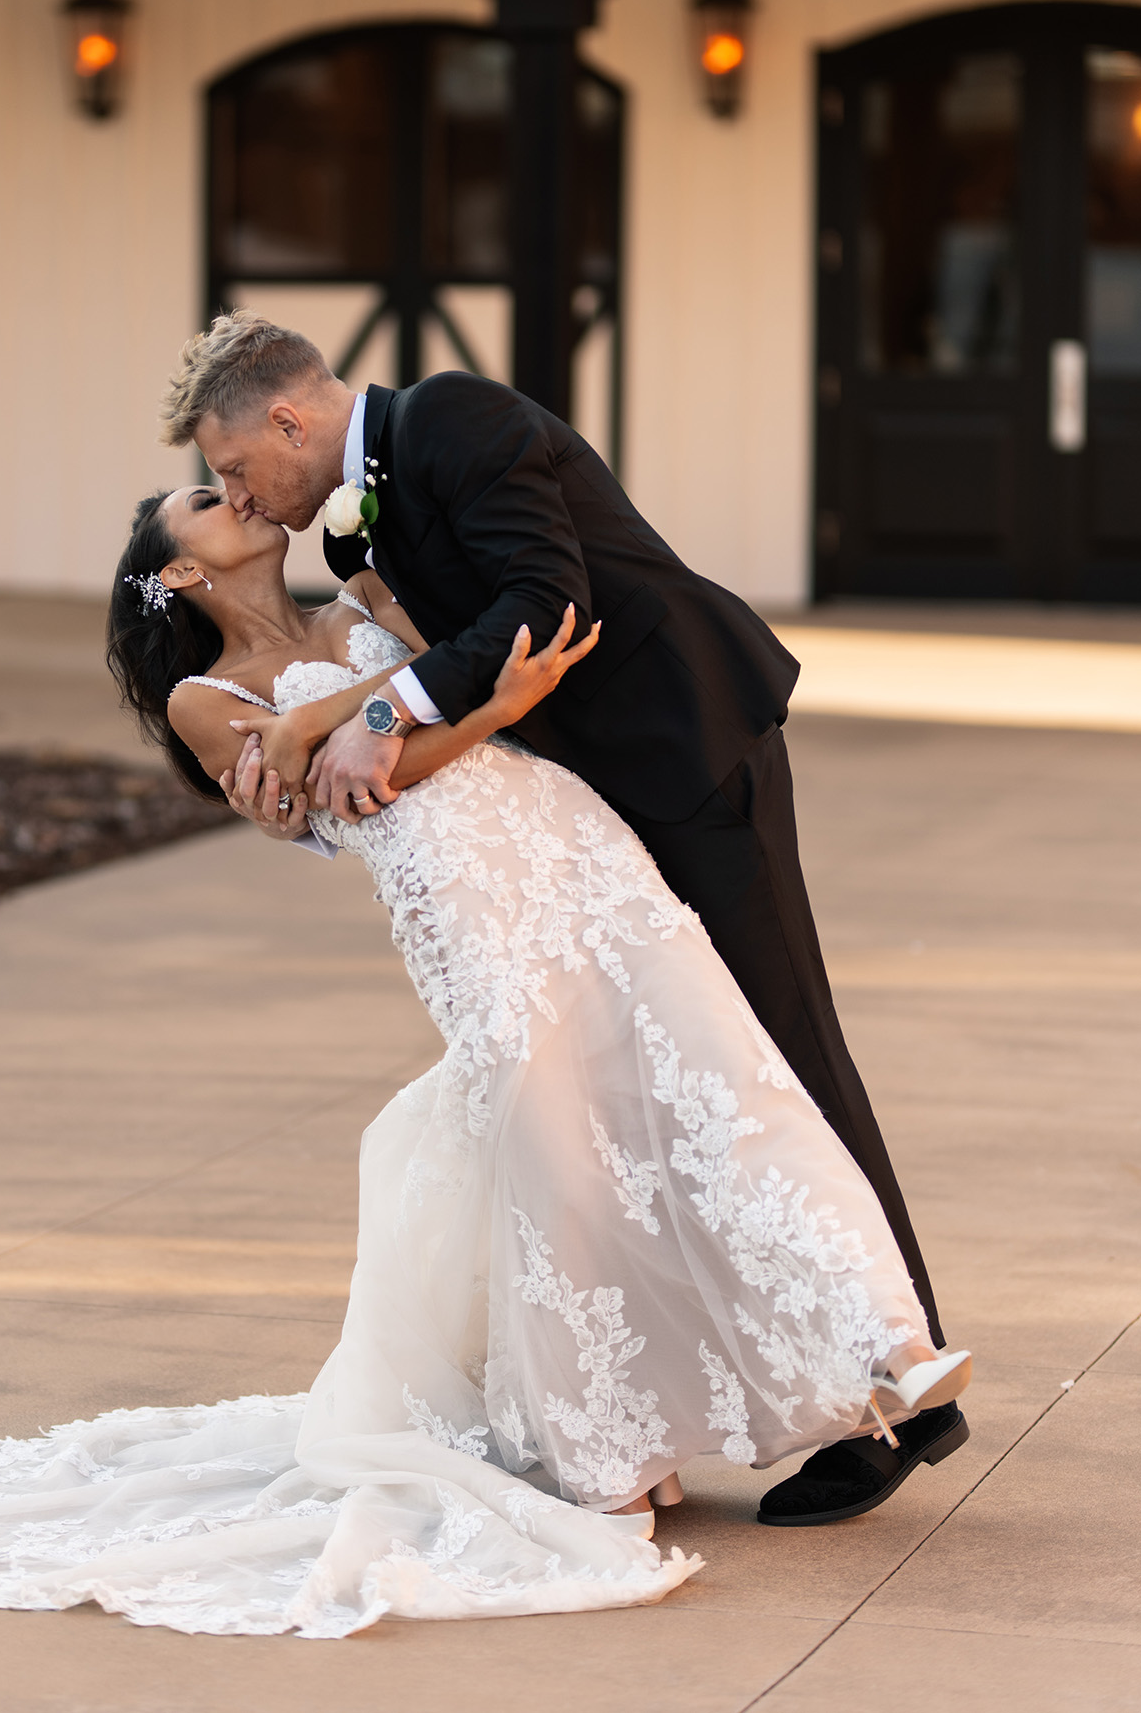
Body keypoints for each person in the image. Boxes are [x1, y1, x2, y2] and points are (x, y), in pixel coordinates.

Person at [0, 475, 970, 1637]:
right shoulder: (201, 699)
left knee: (721, 1081)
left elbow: (462, 696)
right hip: (460, 902)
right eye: (207, 504)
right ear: (178, 571)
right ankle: (605, 1439)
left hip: (571, 842)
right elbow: (359, 793)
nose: (240, 500)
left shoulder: (367, 592)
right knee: (560, 1151)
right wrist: (407, 716)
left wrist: (362, 714)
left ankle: (892, 1346)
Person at [172, 311, 970, 1529]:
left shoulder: (454, 416)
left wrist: (371, 724)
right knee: (669, 1092)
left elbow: (550, 595)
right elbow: (441, 650)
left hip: (687, 752)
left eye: (237, 469)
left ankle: (908, 1390)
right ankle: (740, 1383)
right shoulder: (354, 533)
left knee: (779, 1056)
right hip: (581, 811)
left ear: (291, 419)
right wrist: (308, 757)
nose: (242, 494)